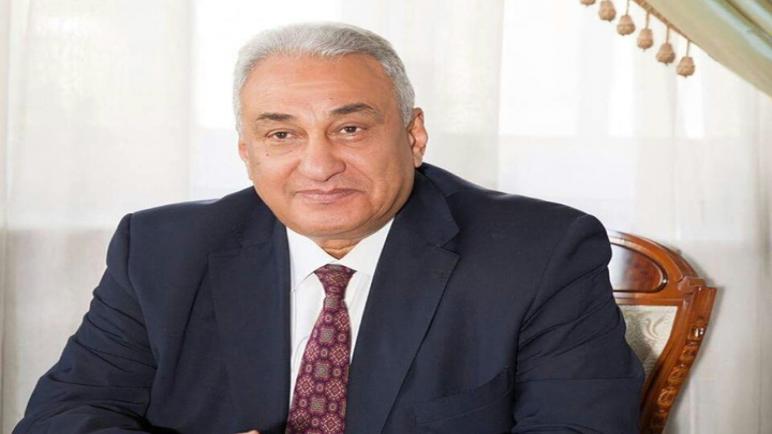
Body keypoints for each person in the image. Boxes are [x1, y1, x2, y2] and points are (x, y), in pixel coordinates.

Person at [14, 22, 643, 434]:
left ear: (413, 135)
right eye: (281, 134)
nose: (318, 165)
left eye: (350, 129)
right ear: (247, 151)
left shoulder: (540, 253)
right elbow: (63, 416)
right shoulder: (159, 251)